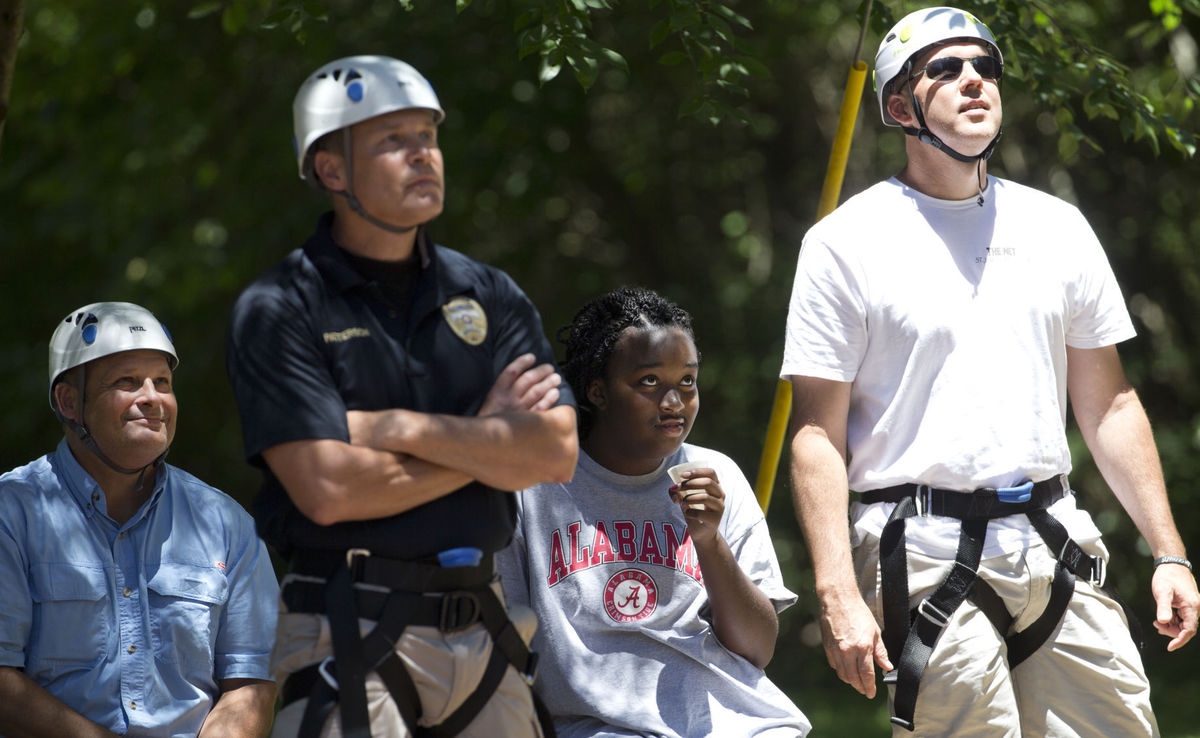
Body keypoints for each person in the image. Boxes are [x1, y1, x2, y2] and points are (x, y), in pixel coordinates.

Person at [782, 6, 1199, 735]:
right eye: (945, 69)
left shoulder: (1056, 225)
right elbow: (817, 434)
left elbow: (1109, 404)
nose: (975, 81)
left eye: (986, 68)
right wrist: (837, 592)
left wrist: (1170, 552)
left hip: (1053, 538)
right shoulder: (844, 243)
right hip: (919, 545)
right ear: (897, 105)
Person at [225, 55, 579, 738]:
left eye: (428, 135)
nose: (424, 155)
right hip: (344, 626)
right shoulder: (280, 308)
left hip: (486, 629)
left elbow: (555, 451)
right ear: (332, 171)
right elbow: (328, 490)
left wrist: (396, 428)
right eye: (394, 141)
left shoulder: (489, 294)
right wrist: (487, 442)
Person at [497, 286, 810, 738]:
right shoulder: (533, 487)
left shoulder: (716, 476)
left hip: (740, 723)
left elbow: (757, 649)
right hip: (598, 727)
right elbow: (506, 638)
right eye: (649, 382)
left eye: (687, 381)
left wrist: (708, 541)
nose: (674, 403)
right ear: (597, 391)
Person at [0, 301, 278, 738]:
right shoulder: (11, 513)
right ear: (69, 401)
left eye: (163, 382)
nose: (152, 397)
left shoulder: (225, 523)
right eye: (127, 382)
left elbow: (251, 680)